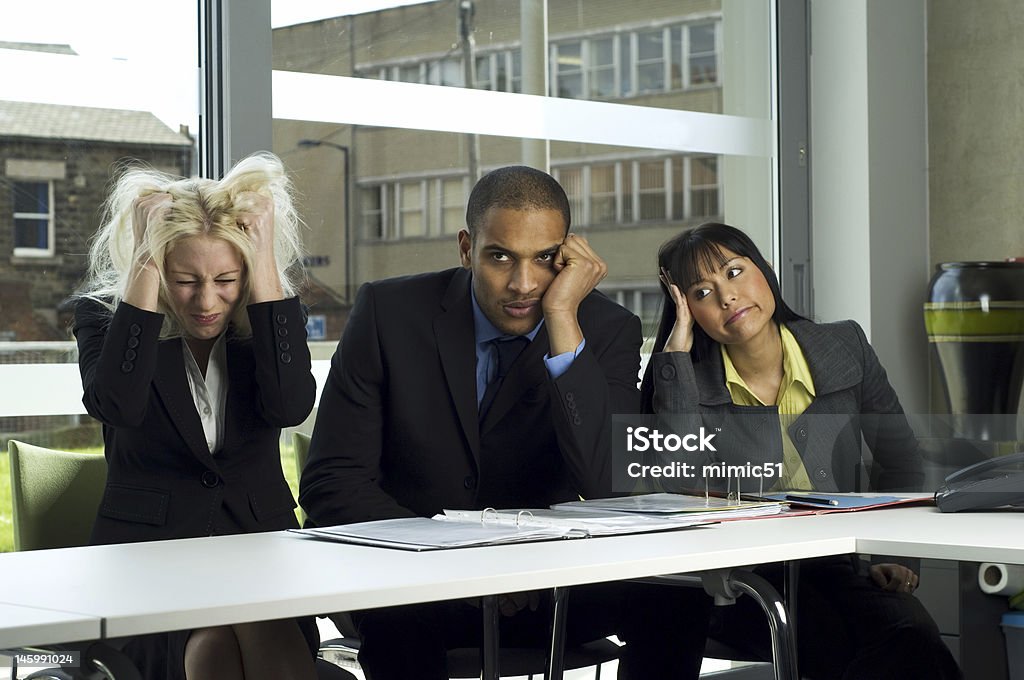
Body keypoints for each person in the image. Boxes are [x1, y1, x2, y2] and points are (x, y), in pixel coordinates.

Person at [300, 165, 711, 680]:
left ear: (567, 256)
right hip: (418, 579)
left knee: (678, 598)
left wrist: (563, 319)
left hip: (543, 586)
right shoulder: (389, 312)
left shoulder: (606, 329)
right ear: (467, 248)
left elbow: (610, 485)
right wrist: (468, 560)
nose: (524, 284)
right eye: (500, 257)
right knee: (399, 620)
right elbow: (331, 482)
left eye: (544, 260)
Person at [640, 222, 962, 680]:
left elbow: (901, 457)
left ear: (764, 271)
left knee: (912, 634)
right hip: (739, 580)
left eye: (734, 273)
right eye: (702, 292)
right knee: (854, 647)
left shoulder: (843, 345)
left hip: (838, 567)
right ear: (686, 310)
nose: (727, 297)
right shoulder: (682, 381)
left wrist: (894, 554)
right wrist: (673, 358)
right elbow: (674, 487)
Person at [74, 152, 318, 680]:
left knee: (259, 624)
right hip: (147, 571)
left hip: (259, 558)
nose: (207, 301)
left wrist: (265, 265)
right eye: (185, 281)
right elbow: (117, 404)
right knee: (212, 645)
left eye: (226, 280)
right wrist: (144, 260)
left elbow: (291, 406)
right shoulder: (106, 319)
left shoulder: (270, 315)